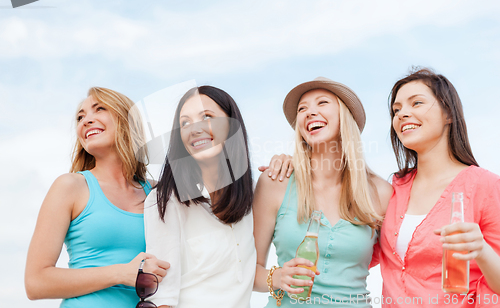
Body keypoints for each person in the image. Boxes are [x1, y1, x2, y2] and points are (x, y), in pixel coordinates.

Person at [144, 86, 290, 307]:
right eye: (185, 123)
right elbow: (162, 297)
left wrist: (291, 162)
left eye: (207, 117)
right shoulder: (165, 201)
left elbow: (248, 275)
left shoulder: (251, 194)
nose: (195, 129)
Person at [253, 77, 393, 307]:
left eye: (322, 103)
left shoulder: (380, 193)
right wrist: (277, 277)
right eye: (302, 109)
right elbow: (246, 270)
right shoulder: (276, 182)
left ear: (345, 117)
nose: (310, 112)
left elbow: (402, 265)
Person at [25, 87, 169, 307]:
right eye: (80, 117)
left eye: (99, 109)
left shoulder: (158, 193)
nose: (85, 121)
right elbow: (35, 283)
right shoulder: (70, 186)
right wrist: (122, 273)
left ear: (127, 120)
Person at [379, 68, 500, 307]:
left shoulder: (487, 186)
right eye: (397, 109)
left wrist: (481, 250)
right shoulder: (392, 189)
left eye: (417, 103)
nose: (403, 114)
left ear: (448, 114)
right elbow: (353, 250)